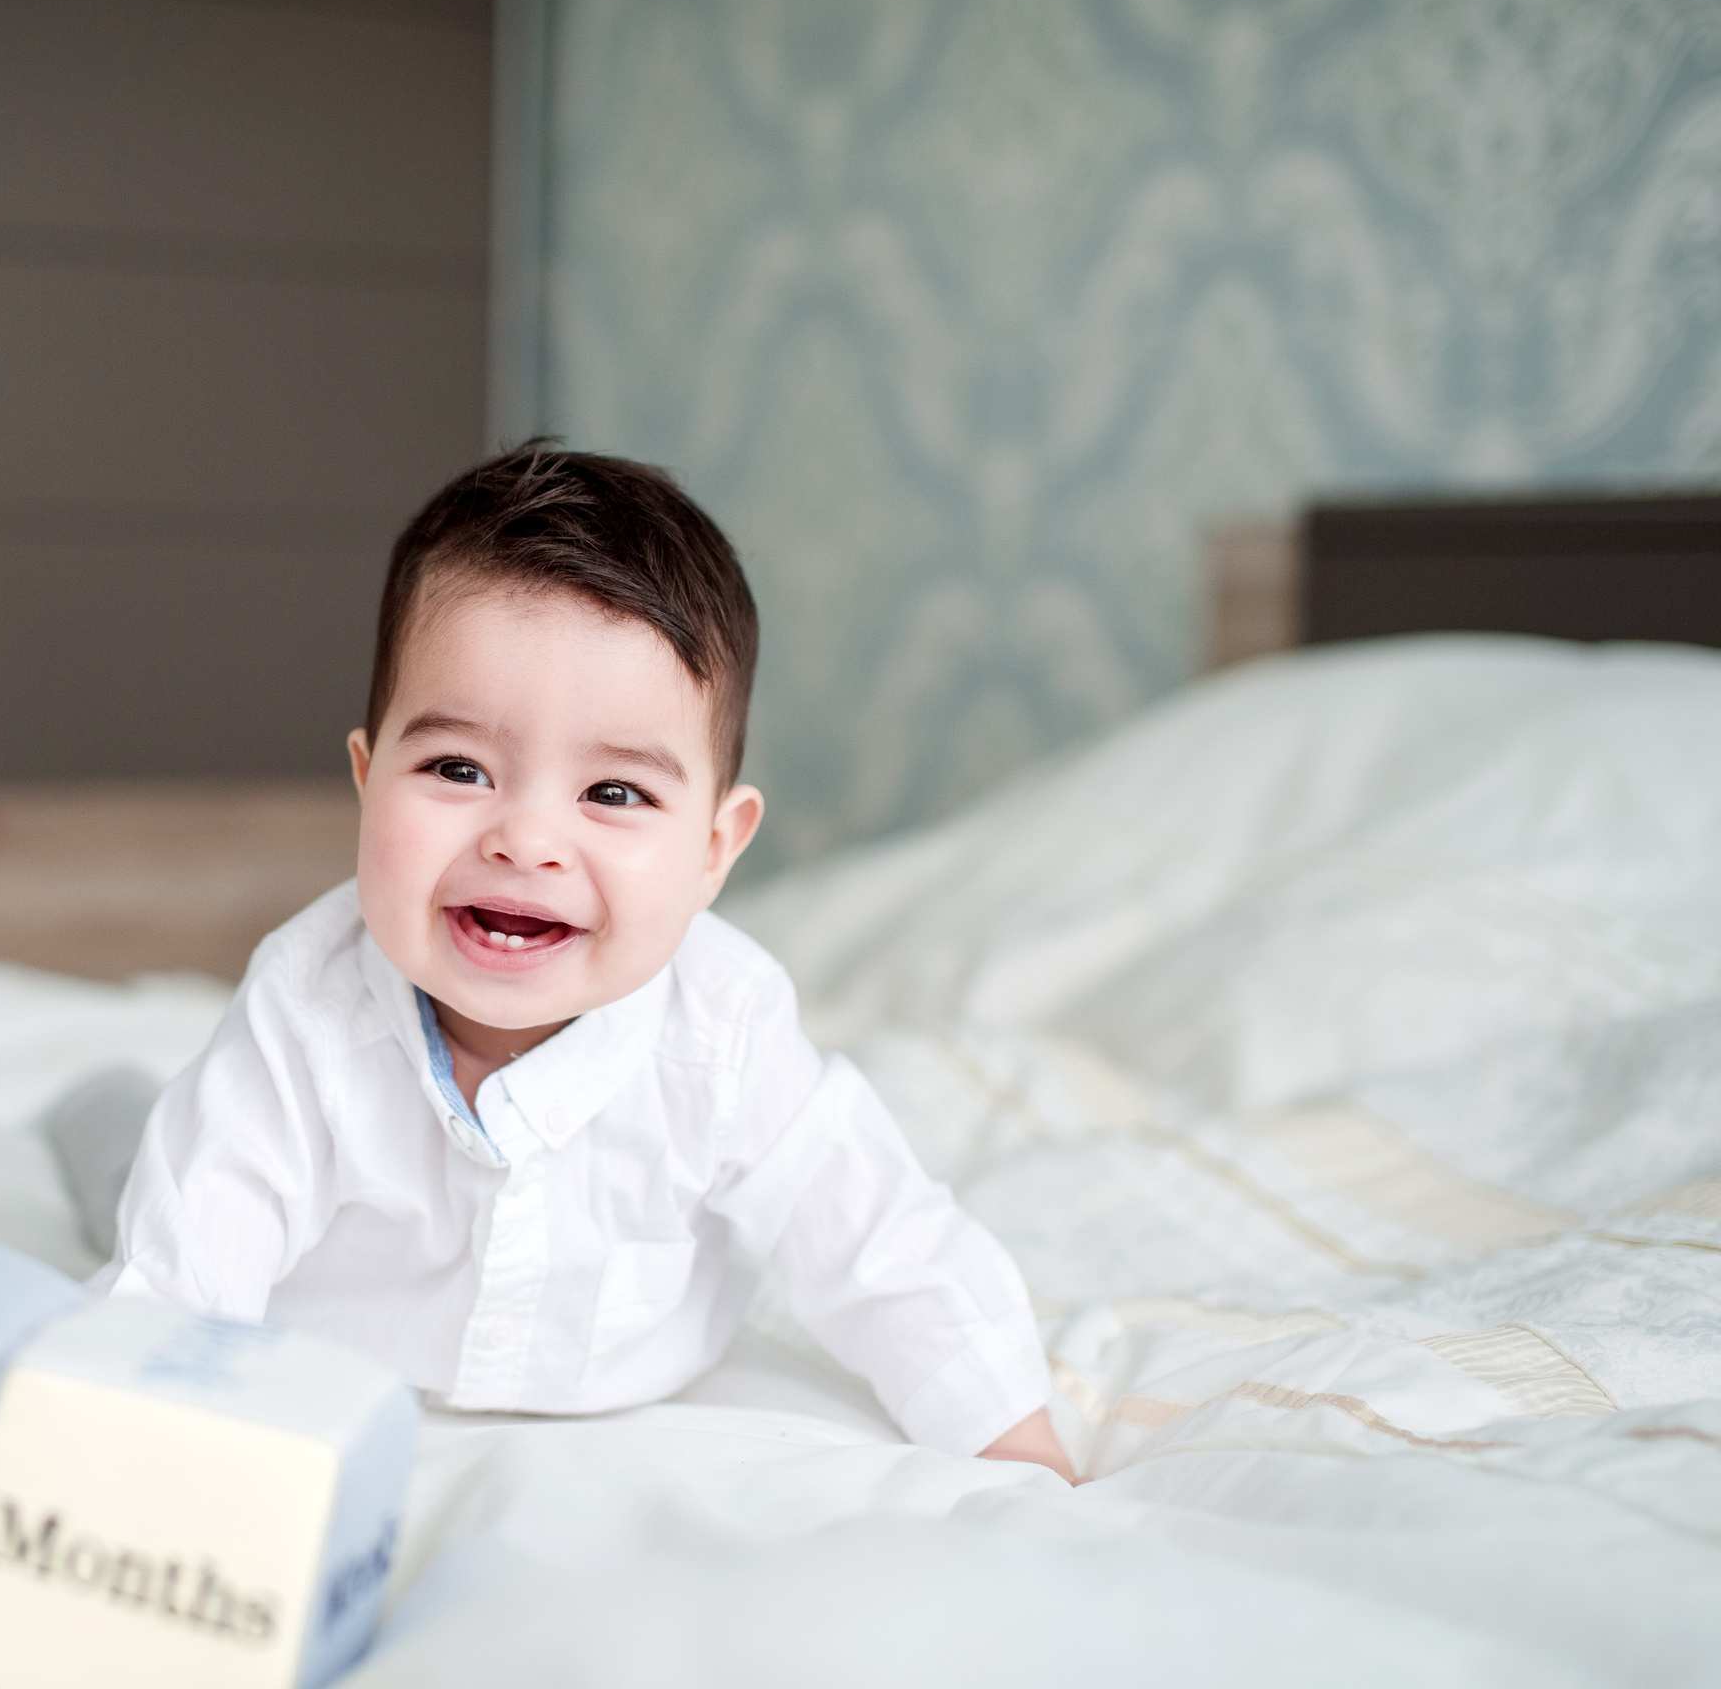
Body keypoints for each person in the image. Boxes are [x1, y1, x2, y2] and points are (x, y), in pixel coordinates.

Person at [83, 442, 1070, 1480]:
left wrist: (1012, 1438)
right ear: (368, 781)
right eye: (458, 768)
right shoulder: (304, 1006)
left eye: (613, 793)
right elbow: (183, 1273)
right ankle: (103, 1117)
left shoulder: (722, 1028)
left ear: (712, 851)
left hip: (629, 1375)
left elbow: (880, 1240)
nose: (525, 840)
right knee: (141, 1173)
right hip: (324, 1349)